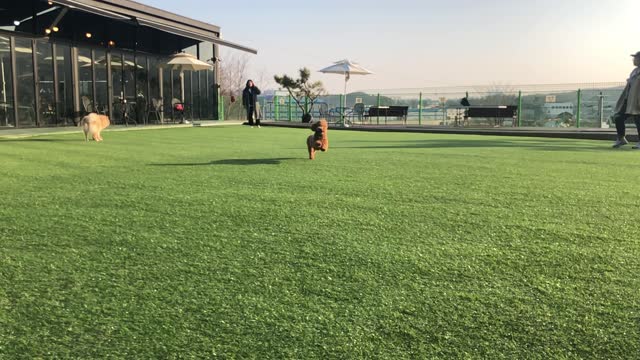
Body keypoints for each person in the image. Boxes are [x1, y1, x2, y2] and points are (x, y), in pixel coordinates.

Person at [612, 51, 640, 148]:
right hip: (629, 100)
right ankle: (621, 138)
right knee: (618, 117)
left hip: (637, 101)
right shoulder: (634, 71)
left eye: (635, 58)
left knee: (638, 120)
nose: (633, 60)